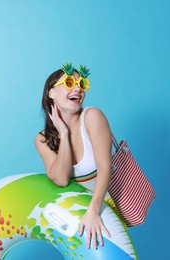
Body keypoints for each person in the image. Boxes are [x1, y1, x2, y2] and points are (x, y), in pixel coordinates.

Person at [34, 63, 113, 250]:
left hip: (103, 204)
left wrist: (94, 210)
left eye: (82, 84)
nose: (77, 88)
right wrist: (63, 133)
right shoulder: (42, 139)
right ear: (50, 93)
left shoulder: (93, 116)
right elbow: (61, 179)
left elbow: (105, 167)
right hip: (73, 212)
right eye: (69, 83)